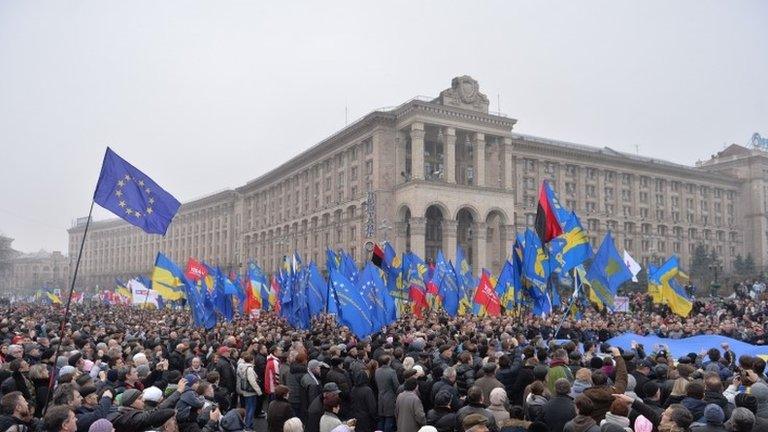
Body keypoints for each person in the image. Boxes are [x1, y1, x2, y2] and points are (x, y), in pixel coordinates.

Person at [236, 351, 263, 430]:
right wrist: (259, 392)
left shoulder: (242, 367)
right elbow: (252, 382)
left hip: (245, 391)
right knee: (251, 408)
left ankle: (247, 424)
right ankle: (248, 425)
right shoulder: (249, 369)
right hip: (251, 392)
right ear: (251, 360)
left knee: (248, 408)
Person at [375, 355, 399, 432]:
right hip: (390, 398)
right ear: (388, 361)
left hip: (380, 397)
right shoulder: (392, 372)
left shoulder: (377, 371)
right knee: (389, 419)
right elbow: (396, 386)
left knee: (381, 419)